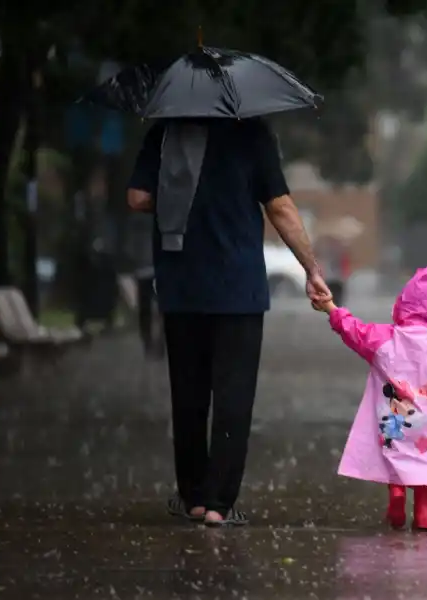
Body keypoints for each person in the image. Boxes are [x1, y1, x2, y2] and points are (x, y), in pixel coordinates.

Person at [126, 117, 331, 527]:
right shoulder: (252, 133)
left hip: (181, 284)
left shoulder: (165, 132)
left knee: (188, 396)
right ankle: (219, 504)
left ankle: (194, 498)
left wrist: (182, 196)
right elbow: (280, 206)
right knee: (233, 398)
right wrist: (311, 268)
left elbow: (136, 198)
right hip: (237, 288)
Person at [312, 266, 427, 531]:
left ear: (403, 303)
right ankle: (423, 513)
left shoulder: (384, 338)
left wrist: (331, 307)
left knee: (394, 450)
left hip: (395, 416)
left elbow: (353, 329)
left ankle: (396, 494)